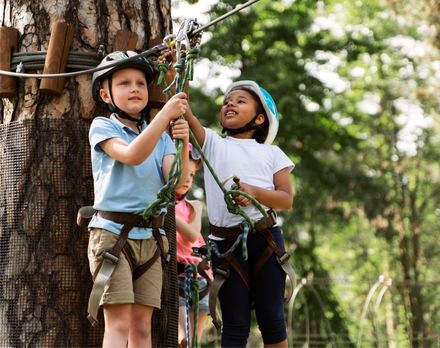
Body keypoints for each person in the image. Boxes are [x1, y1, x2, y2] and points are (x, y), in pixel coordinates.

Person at [87, 50, 190, 348]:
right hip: (112, 235)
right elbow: (132, 155)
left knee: (142, 328)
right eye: (124, 83)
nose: (134, 88)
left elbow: (177, 184)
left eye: (141, 83)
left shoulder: (161, 136)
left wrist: (181, 142)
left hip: (151, 238)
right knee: (118, 324)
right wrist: (165, 118)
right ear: (106, 95)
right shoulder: (103, 126)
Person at [183, 80, 295, 347]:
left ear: (259, 118)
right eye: (226, 102)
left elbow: (286, 199)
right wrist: (175, 76)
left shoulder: (271, 153)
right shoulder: (211, 143)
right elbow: (184, 111)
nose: (229, 103)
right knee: (235, 323)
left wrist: (254, 192)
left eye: (240, 101)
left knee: (272, 318)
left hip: (264, 238)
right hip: (225, 246)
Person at [174, 143, 212, 347]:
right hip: (178, 278)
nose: (187, 180)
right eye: (182, 174)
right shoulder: (159, 203)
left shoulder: (194, 205)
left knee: (193, 343)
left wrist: (168, 213)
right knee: (183, 339)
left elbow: (192, 235)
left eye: (191, 175)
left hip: (201, 278)